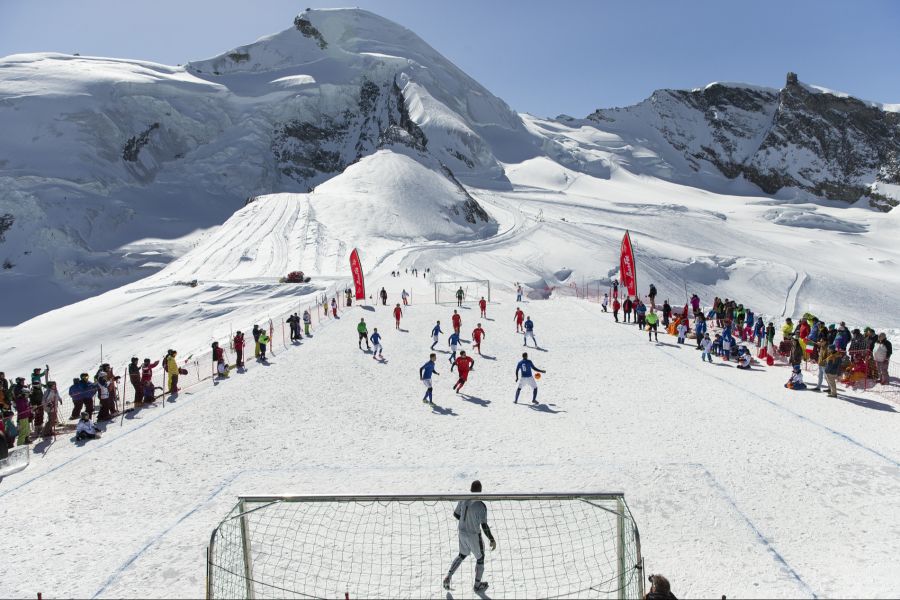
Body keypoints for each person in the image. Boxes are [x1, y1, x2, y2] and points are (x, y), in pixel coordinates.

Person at [443, 480, 496, 593]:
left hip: (462, 532)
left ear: (471, 489)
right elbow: (484, 525)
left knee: (462, 555)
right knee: (480, 558)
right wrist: (491, 538)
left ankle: (448, 576)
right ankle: (477, 585)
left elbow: (456, 514)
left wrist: (465, 520)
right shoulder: (481, 505)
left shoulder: (463, 498)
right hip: (473, 535)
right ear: (480, 491)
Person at [13, 378, 32, 445]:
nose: (23, 382)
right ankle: (19, 444)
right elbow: (21, 408)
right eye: (22, 381)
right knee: (23, 430)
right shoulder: (20, 399)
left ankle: (26, 440)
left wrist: (30, 409)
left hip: (25, 415)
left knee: (27, 429)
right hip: (23, 416)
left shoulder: (24, 399)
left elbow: (26, 406)